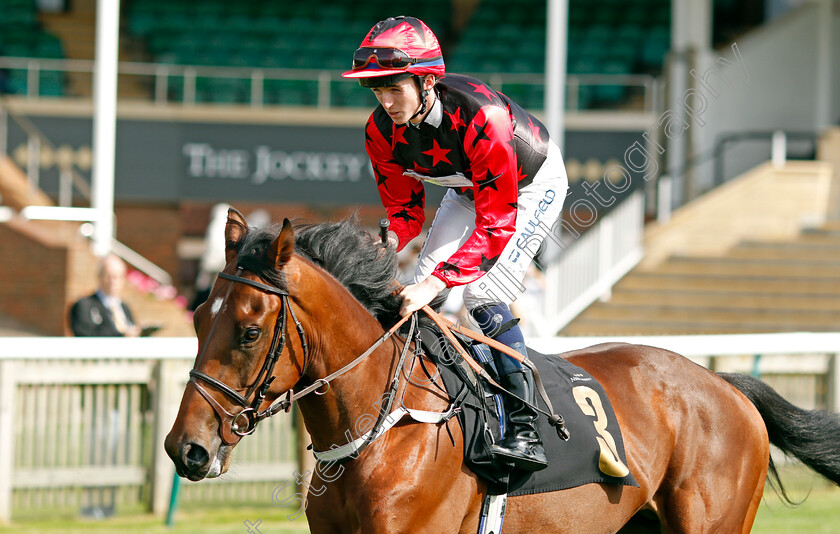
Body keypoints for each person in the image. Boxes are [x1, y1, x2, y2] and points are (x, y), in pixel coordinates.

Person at [342, 16, 569, 472]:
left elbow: (498, 219)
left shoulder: (483, 116)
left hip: (528, 188)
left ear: (426, 81)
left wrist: (440, 280)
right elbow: (405, 214)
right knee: (421, 291)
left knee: (483, 293)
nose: (385, 103)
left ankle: (526, 427)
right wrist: (385, 244)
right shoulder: (379, 133)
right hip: (468, 191)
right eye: (377, 91)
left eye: (394, 89)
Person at [70, 254, 141, 337]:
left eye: (116, 277)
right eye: (108, 276)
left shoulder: (125, 308)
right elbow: (84, 335)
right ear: (99, 276)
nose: (112, 281)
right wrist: (121, 336)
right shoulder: (84, 305)